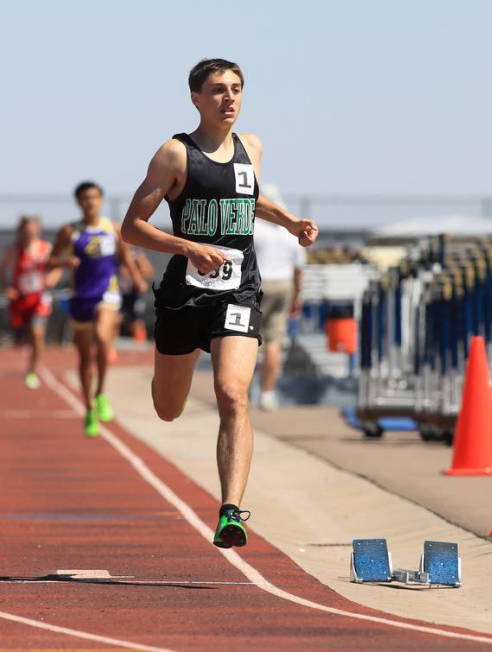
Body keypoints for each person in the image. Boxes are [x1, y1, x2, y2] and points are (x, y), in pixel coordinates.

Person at [120, 58, 318, 548]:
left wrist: (290, 221)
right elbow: (131, 227)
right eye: (216, 90)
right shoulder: (175, 155)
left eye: (236, 89)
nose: (228, 98)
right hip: (184, 295)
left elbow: (248, 201)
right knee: (168, 409)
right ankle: (172, 365)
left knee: (233, 393)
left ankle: (231, 510)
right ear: (196, 99)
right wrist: (187, 247)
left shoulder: (252, 148)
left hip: (239, 290)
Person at [50, 181, 147, 437]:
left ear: (100, 200)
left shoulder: (112, 229)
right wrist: (64, 261)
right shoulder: (69, 231)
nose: (90, 202)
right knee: (83, 359)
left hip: (108, 292)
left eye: (94, 197)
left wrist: (136, 279)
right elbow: (49, 260)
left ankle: (101, 392)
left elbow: (126, 257)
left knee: (104, 338)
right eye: (85, 198)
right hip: (81, 296)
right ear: (79, 202)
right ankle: (89, 408)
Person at [251, 184, 306, 411]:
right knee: (274, 342)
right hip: (284, 285)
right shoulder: (289, 232)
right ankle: (267, 393)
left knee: (247, 340)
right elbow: (298, 268)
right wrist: (296, 296)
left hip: (257, 285)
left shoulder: (254, 228)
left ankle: (243, 389)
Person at [0, 215, 61, 389]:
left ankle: (32, 370)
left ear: (37, 231)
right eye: (26, 231)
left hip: (40, 298)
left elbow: (57, 268)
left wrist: (51, 279)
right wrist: (6, 288)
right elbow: (1, 270)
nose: (29, 234)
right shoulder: (13, 250)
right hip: (20, 299)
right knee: (22, 338)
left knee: (37, 332)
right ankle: (28, 348)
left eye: (33, 230)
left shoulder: (45, 248)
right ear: (21, 231)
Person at [119, 246, 154, 342]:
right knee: (115, 319)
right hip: (118, 291)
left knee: (137, 321)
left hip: (133, 292)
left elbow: (149, 272)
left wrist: (138, 276)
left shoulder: (137, 253)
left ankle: (140, 348)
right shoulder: (116, 249)